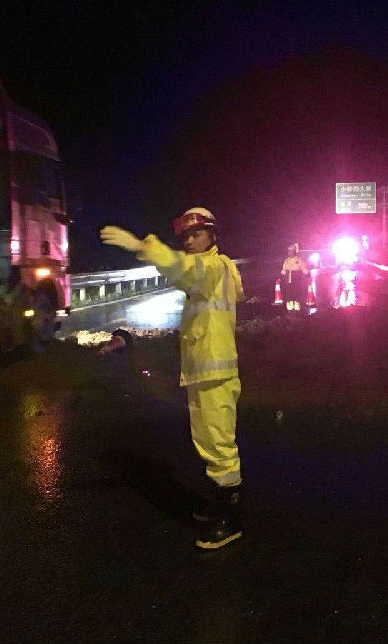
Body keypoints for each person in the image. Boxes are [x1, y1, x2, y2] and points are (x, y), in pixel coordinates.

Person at [99, 207, 245, 550]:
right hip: (205, 370)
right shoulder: (209, 270)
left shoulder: (214, 267)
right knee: (208, 442)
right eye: (186, 237)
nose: (190, 241)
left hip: (215, 373)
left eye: (197, 234)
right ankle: (219, 505)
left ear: (212, 235)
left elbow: (184, 269)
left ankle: (231, 520)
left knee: (219, 445)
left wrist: (142, 246)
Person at [280, 242, 309, 312]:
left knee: (296, 290)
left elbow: (303, 267)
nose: (290, 253)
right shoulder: (287, 260)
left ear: (294, 252)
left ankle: (296, 304)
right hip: (287, 278)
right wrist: (282, 273)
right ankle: (290, 304)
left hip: (296, 278)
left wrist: (306, 272)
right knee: (288, 291)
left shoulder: (298, 260)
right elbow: (284, 268)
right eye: (289, 251)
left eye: (291, 251)